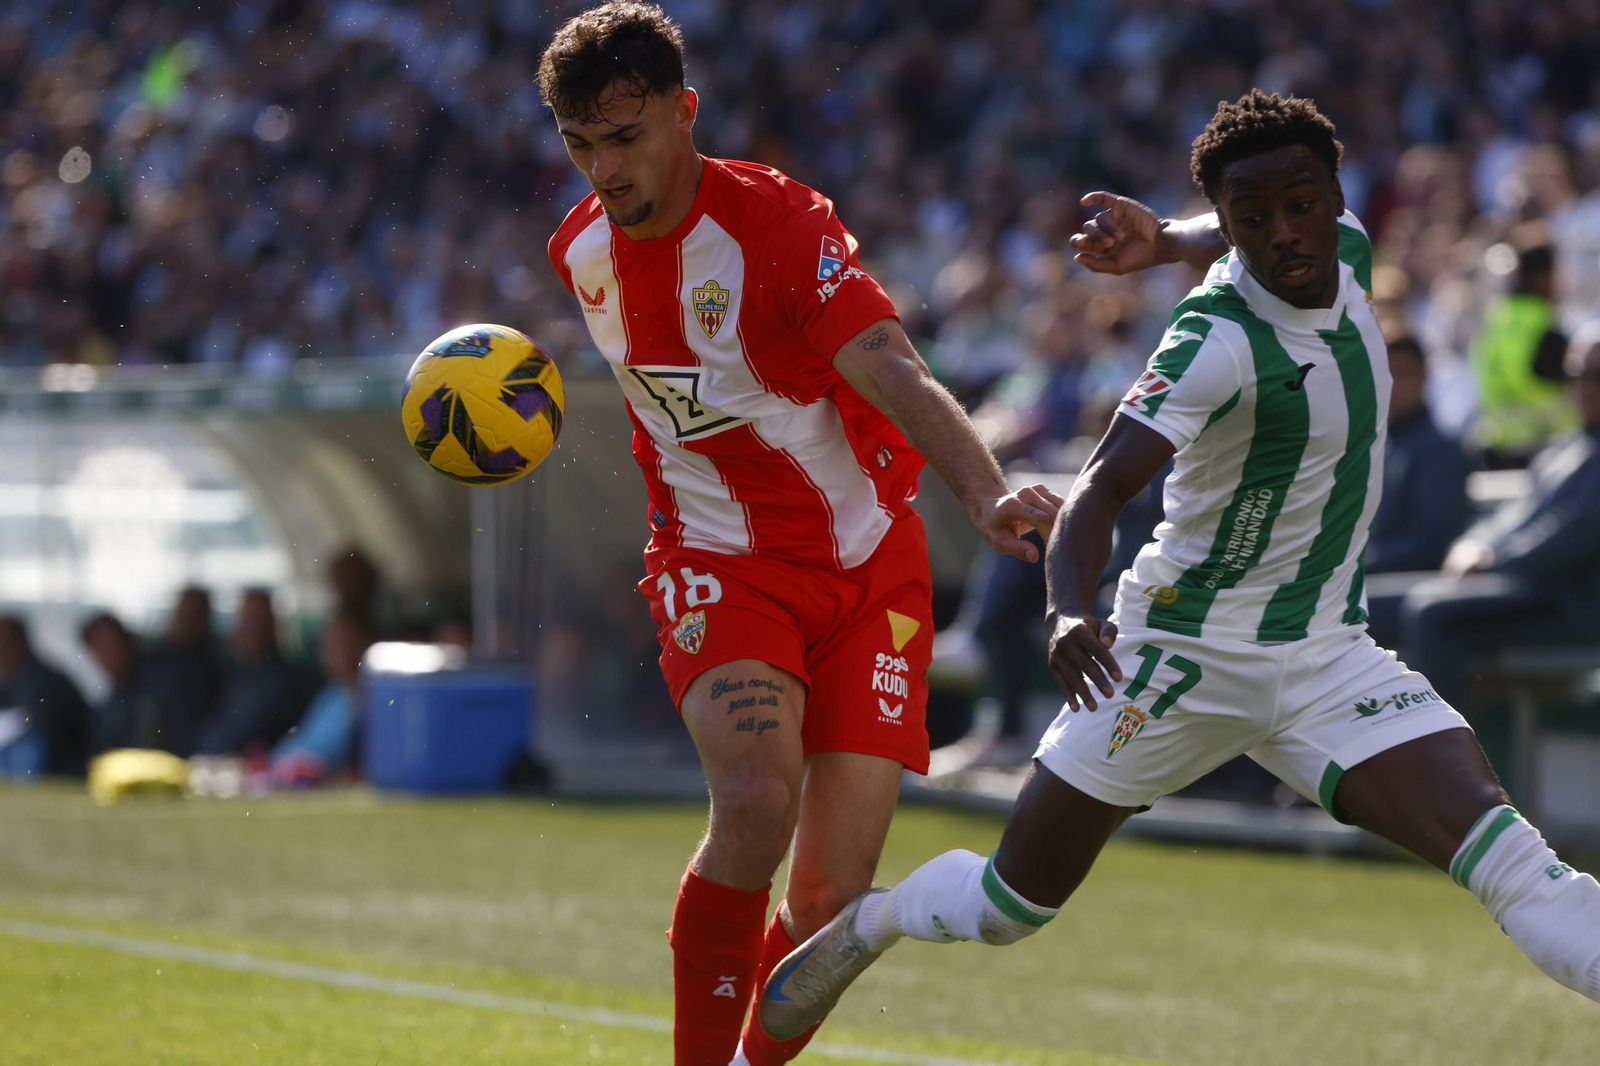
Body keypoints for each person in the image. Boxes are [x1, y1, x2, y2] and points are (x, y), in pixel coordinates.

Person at [758, 91, 1600, 1041]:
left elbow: (1252, 218)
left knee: (1520, 869)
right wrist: (1069, 611)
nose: (1285, 233)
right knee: (1008, 908)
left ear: (1337, 196)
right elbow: (1096, 493)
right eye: (1253, 220)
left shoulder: (1351, 246)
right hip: (1175, 660)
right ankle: (875, 919)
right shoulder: (1212, 342)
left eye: (1302, 204)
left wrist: (1162, 236)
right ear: (1233, 230)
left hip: (1328, 656)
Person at [537, 6, 1059, 1064]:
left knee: (829, 896)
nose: (604, 169)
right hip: (717, 559)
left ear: (685, 115)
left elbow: (890, 368)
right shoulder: (580, 253)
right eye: (579, 144)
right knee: (758, 792)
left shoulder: (777, 230)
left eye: (625, 137)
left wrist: (984, 491)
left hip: (872, 567)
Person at [1398, 324, 1600, 708]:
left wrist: (1492, 561)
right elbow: (1514, 514)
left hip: (1573, 601)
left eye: (1596, 376)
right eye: (1576, 374)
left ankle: (1446, 761)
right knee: (1370, 606)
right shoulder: (1568, 446)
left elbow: (1576, 534)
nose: (1585, 386)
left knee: (1430, 613)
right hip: (1526, 586)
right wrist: (1473, 544)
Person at [1474, 241, 1578, 465]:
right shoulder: (1543, 328)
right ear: (1543, 277)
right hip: (1546, 449)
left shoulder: (1494, 321)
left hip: (1498, 447)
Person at [199, 590, 306, 756]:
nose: (252, 629)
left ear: (273, 627)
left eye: (259, 622)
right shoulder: (224, 673)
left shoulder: (286, 681)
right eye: (247, 621)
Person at [270, 614, 372, 786]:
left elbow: (324, 756)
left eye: (340, 644)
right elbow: (302, 740)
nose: (330, 653)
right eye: (327, 645)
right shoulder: (331, 694)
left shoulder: (363, 698)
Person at [0, 616, 91, 777]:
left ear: (18, 644)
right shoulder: (14, 679)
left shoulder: (42, 681)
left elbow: (41, 737)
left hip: (66, 769)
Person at [141, 586, 224, 756]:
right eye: (185, 612)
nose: (188, 620)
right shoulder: (152, 660)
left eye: (195, 614)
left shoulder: (215, 665)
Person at [80, 612, 157, 753]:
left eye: (113, 644)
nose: (110, 653)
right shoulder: (111, 700)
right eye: (101, 648)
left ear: (128, 641)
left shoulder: (158, 683)